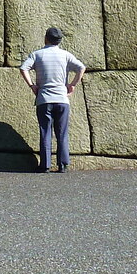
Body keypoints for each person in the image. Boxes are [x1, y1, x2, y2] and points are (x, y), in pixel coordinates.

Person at [19, 27, 86, 173]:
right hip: (62, 99)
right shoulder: (66, 55)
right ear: (59, 40)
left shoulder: (37, 55)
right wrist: (72, 85)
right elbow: (81, 67)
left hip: (44, 99)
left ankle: (45, 165)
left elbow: (23, 68)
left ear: (46, 38)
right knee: (62, 132)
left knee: (45, 131)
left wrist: (32, 85)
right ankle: (63, 165)